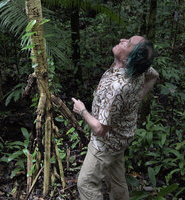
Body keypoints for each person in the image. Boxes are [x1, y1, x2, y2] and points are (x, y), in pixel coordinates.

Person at [72, 35, 159, 200]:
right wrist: (136, 98)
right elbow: (154, 75)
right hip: (122, 136)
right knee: (117, 180)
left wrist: (82, 110)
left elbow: (100, 129)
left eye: (128, 43)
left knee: (86, 183)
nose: (122, 39)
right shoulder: (139, 68)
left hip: (105, 144)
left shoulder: (116, 87)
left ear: (127, 59)